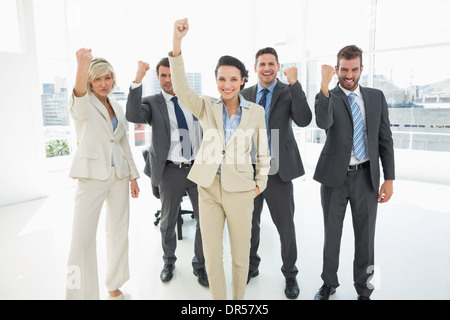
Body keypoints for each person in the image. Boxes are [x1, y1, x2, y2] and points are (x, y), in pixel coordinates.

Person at [169, 18, 270, 300]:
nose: (227, 85)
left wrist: (258, 185)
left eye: (233, 79)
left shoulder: (256, 112)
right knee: (212, 259)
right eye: (222, 79)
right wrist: (177, 43)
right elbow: (181, 88)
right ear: (216, 80)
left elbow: (264, 153)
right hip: (209, 189)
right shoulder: (206, 107)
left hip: (241, 191)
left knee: (240, 259)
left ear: (242, 80)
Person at [313, 45, 395, 300]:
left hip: (366, 177)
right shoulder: (329, 95)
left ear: (361, 69)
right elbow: (323, 123)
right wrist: (324, 85)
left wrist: (389, 178)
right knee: (332, 235)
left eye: (354, 69)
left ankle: (364, 288)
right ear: (337, 69)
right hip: (334, 178)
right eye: (344, 70)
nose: (349, 75)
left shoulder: (375, 97)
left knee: (366, 237)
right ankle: (328, 284)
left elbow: (385, 139)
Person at [125, 57, 208, 287]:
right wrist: (138, 78)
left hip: (197, 168)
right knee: (168, 221)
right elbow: (132, 115)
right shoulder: (153, 103)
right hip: (170, 171)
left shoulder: (194, 100)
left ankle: (200, 265)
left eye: (172, 75)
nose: (168, 80)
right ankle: (169, 261)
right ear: (158, 78)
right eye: (163, 75)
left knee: (206, 219)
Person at [65, 48, 140, 300]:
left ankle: (114, 284)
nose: (103, 83)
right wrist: (81, 66)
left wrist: (132, 175)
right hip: (91, 176)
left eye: (107, 77)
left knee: (118, 230)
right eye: (97, 79)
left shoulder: (117, 107)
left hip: (118, 174)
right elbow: (77, 103)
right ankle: (78, 295)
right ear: (89, 81)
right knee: (81, 239)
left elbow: (122, 143)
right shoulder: (84, 102)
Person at [240, 47, 312, 299]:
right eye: (262, 64)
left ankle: (290, 274)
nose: (267, 68)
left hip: (278, 169)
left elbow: (304, 119)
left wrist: (295, 84)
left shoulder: (287, 91)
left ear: (278, 66)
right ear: (256, 67)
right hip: (249, 170)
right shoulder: (245, 93)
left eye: (271, 63)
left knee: (285, 226)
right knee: (249, 224)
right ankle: (251, 266)